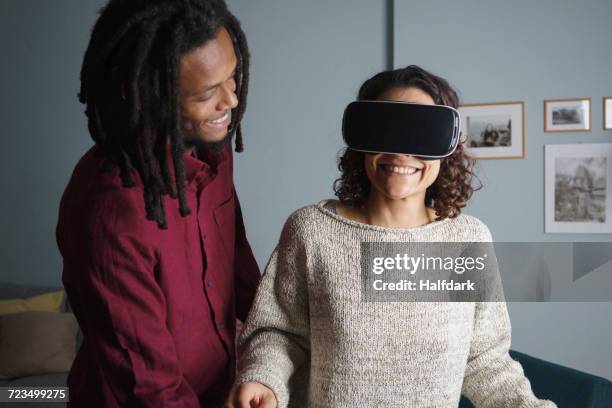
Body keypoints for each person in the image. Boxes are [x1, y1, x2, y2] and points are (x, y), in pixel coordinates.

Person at [226, 66, 557, 407]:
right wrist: (262, 377)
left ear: (447, 150)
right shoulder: (311, 232)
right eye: (386, 132)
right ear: (362, 144)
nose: (400, 154)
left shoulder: (468, 239)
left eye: (420, 135)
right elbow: (281, 333)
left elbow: (485, 361)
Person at [56, 1, 260, 406]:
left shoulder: (214, 153)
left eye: (232, 77)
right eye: (207, 93)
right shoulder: (110, 212)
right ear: (152, 96)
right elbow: (147, 387)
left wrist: (266, 362)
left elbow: (239, 269)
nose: (231, 100)